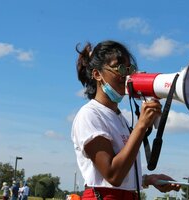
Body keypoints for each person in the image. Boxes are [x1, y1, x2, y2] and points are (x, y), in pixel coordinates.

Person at [71, 40, 181, 200]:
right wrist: (141, 126)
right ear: (97, 74)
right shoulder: (89, 115)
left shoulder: (119, 118)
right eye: (120, 67)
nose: (127, 75)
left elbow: (123, 174)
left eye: (130, 69)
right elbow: (113, 175)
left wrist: (149, 179)